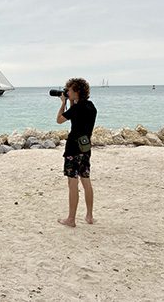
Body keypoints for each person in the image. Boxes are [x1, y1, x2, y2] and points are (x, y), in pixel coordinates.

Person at [56, 78, 97, 227]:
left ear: (77, 91)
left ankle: (71, 219)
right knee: (86, 181)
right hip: (85, 148)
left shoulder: (76, 109)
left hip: (73, 149)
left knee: (72, 183)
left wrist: (63, 103)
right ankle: (89, 216)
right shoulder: (91, 107)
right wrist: (71, 103)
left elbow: (59, 120)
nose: (68, 92)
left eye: (70, 90)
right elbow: (78, 120)